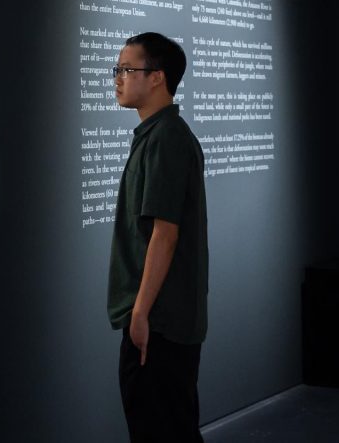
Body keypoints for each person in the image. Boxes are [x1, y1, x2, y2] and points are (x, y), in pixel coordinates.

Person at [107, 32, 208, 442]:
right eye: (117, 69)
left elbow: (164, 234)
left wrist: (141, 313)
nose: (118, 78)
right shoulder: (159, 135)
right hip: (163, 317)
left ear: (157, 78)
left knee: (160, 428)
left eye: (127, 69)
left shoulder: (166, 139)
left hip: (160, 321)